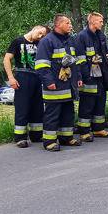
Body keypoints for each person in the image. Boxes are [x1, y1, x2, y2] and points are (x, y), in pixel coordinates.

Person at [35, 15, 83, 151]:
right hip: (54, 86)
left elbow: (76, 62)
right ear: (58, 25)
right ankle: (49, 141)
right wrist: (49, 81)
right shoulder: (47, 41)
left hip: (69, 86)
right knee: (52, 114)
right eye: (67, 23)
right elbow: (41, 65)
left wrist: (78, 77)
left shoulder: (71, 41)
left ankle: (66, 138)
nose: (70, 25)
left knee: (68, 112)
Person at [4, 25, 48, 147]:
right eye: (40, 33)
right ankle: (20, 137)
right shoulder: (18, 41)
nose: (40, 36)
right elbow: (7, 59)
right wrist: (11, 78)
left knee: (38, 107)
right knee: (22, 107)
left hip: (38, 77)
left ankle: (36, 135)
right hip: (23, 76)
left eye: (43, 36)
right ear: (35, 28)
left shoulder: (40, 44)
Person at [73, 12, 108, 142]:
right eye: (100, 21)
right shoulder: (81, 37)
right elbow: (80, 59)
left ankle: (98, 129)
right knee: (87, 105)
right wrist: (85, 77)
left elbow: (103, 54)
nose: (102, 23)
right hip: (89, 77)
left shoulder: (101, 36)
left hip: (101, 75)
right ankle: (84, 132)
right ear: (92, 22)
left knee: (100, 103)